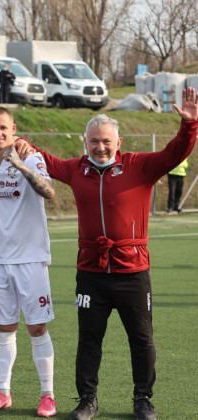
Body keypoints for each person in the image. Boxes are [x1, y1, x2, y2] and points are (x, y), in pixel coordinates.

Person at [31, 88, 198, 420]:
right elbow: (44, 161)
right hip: (90, 272)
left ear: (118, 143)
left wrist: (190, 125)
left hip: (132, 271)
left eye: (106, 141)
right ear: (85, 142)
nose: (100, 147)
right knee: (89, 339)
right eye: (94, 141)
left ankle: (143, 399)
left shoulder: (140, 166)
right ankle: (87, 399)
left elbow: (175, 153)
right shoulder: (75, 169)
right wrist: (20, 142)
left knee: (141, 338)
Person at [0, 107, 57, 417]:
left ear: (13, 128)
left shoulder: (31, 158)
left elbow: (49, 191)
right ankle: (2, 391)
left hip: (31, 258)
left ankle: (48, 395)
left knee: (36, 327)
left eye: (4, 127)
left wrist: (20, 164)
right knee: (5, 328)